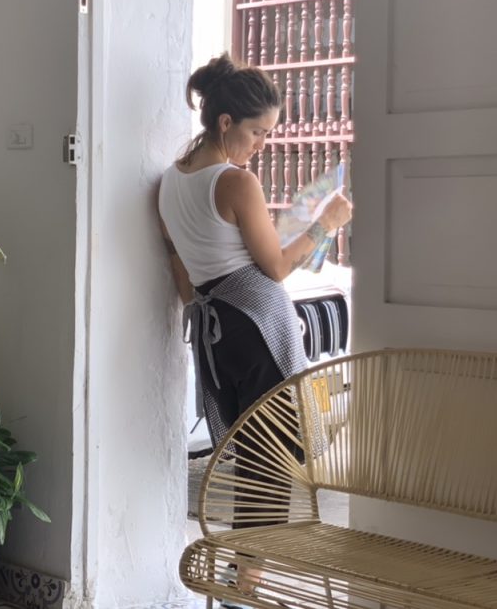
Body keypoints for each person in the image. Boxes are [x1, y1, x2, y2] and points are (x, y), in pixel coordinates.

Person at [158, 53, 352, 602]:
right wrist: (327, 224)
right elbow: (277, 267)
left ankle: (242, 578)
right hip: (258, 327)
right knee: (272, 460)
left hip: (217, 333)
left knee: (249, 456)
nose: (261, 144)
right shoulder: (237, 182)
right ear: (225, 123)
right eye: (257, 132)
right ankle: (247, 583)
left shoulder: (169, 183)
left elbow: (182, 279)